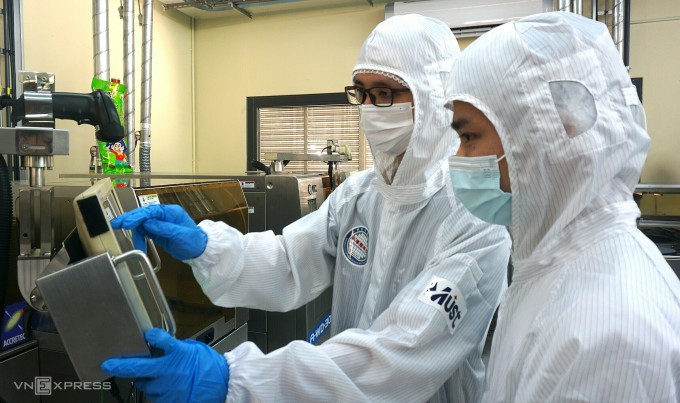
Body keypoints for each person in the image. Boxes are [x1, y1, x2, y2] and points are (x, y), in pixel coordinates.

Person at [103, 14, 511, 402]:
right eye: (361, 92)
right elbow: (288, 261)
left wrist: (239, 380)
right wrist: (206, 246)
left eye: (384, 92)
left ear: (432, 95)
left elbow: (400, 354)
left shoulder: (475, 220)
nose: (369, 107)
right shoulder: (359, 193)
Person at [445, 11, 680, 402]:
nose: (459, 156)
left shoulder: (607, 335)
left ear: (545, 132)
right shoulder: (552, 264)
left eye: (469, 136)